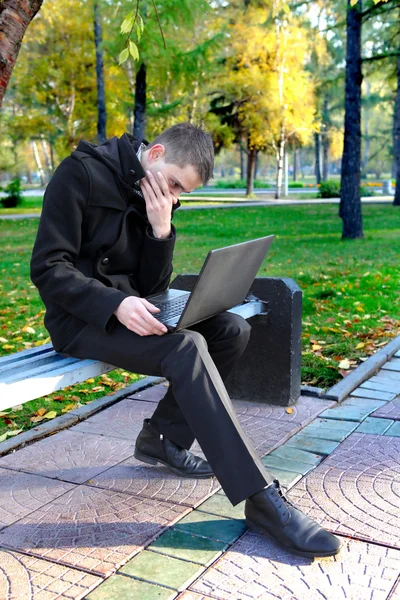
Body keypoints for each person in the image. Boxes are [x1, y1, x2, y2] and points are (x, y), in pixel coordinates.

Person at [30, 122, 341, 558]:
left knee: (232, 328)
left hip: (138, 311)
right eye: (174, 184)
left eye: (182, 193)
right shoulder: (78, 173)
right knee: (186, 347)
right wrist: (114, 304)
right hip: (82, 320)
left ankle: (164, 440)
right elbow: (47, 267)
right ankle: (261, 499)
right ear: (154, 153)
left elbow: (153, 284)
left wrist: (160, 230)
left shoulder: (160, 197)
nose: (174, 196)